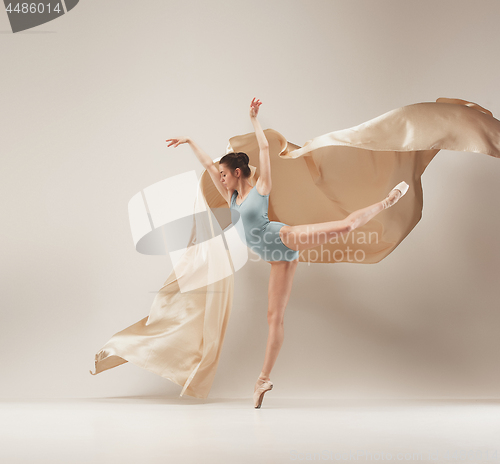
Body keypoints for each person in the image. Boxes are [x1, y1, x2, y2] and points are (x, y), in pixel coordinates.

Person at [166, 98, 409, 408]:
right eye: (222, 176)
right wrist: (189, 141)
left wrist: (254, 120)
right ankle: (263, 379)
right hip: (277, 259)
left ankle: (387, 201)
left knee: (346, 227)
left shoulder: (261, 188)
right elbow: (209, 166)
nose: (221, 178)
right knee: (274, 317)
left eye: (226, 174)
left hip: (285, 237)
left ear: (239, 172)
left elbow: (265, 151)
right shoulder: (230, 197)